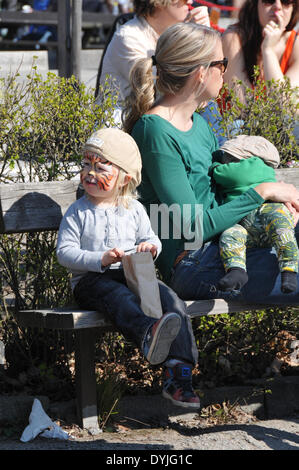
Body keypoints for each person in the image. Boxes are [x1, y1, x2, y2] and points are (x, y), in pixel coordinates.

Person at [123, 21, 299, 306]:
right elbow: (195, 228)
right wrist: (263, 192)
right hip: (193, 263)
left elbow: (218, 200)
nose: (225, 71)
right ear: (201, 73)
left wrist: (273, 213)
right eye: (222, 64)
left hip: (228, 247)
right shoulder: (154, 131)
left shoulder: (199, 125)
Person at [56, 127, 200, 409]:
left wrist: (151, 248)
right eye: (86, 165)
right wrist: (100, 259)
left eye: (100, 167)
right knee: (120, 298)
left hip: (133, 274)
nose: (89, 173)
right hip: (92, 281)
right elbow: (64, 252)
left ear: (125, 178)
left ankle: (178, 376)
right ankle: (149, 334)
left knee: (172, 301)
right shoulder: (79, 211)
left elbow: (150, 238)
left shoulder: (133, 209)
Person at [97, 0, 226, 144]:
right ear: (158, 2)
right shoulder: (129, 37)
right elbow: (170, 88)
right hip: (130, 130)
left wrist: (200, 35)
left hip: (172, 118)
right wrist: (199, 43)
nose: (190, 1)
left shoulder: (173, 32)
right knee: (205, 102)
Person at [211, 134, 298, 294]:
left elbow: (225, 174)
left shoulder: (254, 165)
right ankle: (237, 271)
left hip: (263, 213)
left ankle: (289, 270)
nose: (225, 161)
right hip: (252, 227)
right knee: (231, 234)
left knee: (278, 222)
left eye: (230, 158)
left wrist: (214, 166)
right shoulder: (262, 168)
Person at [222, 0, 299, 100]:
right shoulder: (233, 38)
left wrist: (268, 51)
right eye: (269, 0)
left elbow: (286, 107)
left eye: (286, 1)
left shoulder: (295, 44)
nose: (277, 7)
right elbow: (241, 107)